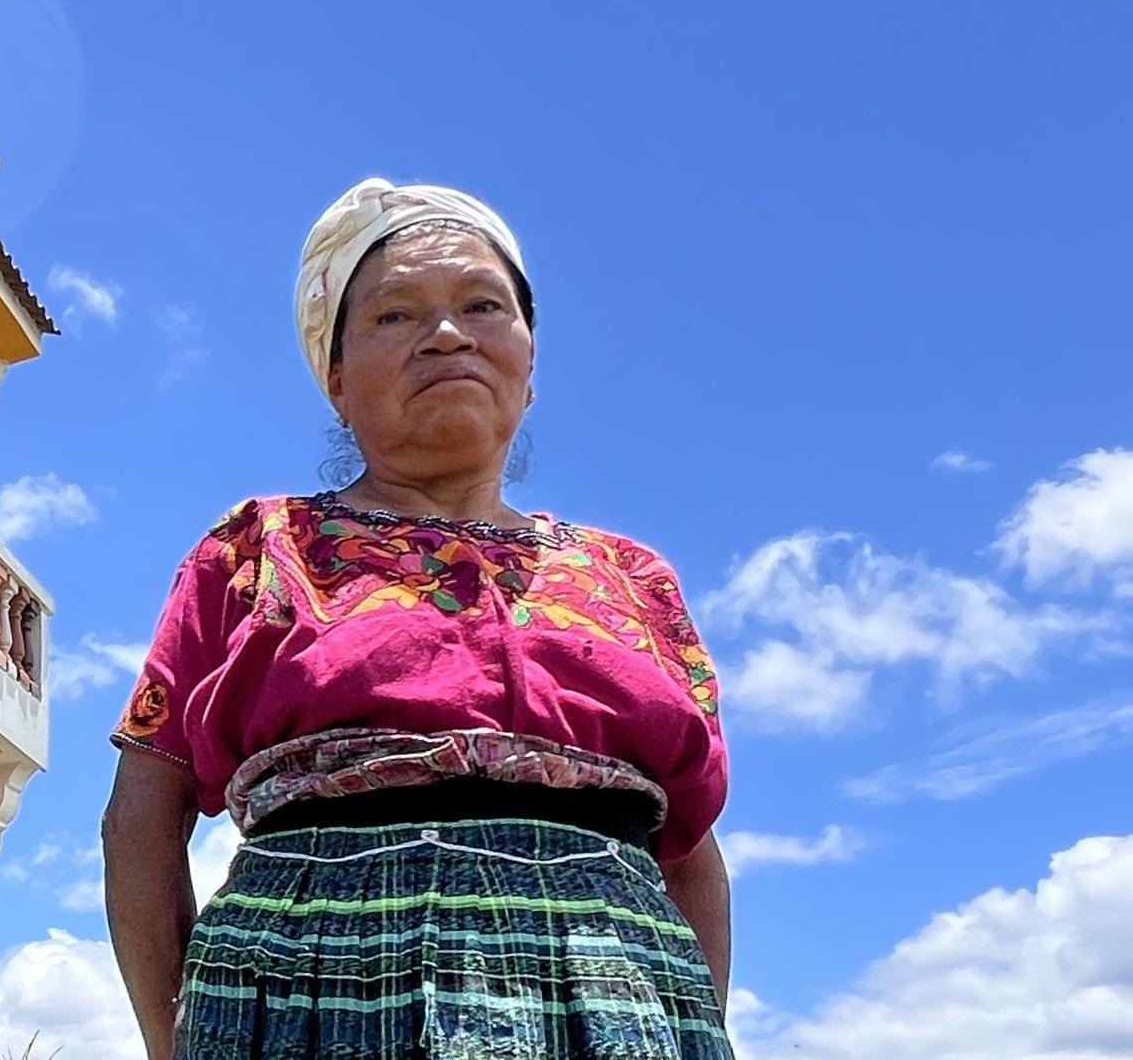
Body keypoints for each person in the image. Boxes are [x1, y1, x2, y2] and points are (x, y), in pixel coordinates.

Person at [101, 179, 733, 1059]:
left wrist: (693, 1027)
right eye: (395, 315)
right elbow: (141, 813)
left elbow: (689, 849)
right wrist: (175, 1043)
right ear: (335, 378)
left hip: (613, 989)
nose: (446, 333)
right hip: (301, 987)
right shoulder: (255, 547)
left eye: (482, 304)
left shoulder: (632, 576)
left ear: (528, 359)